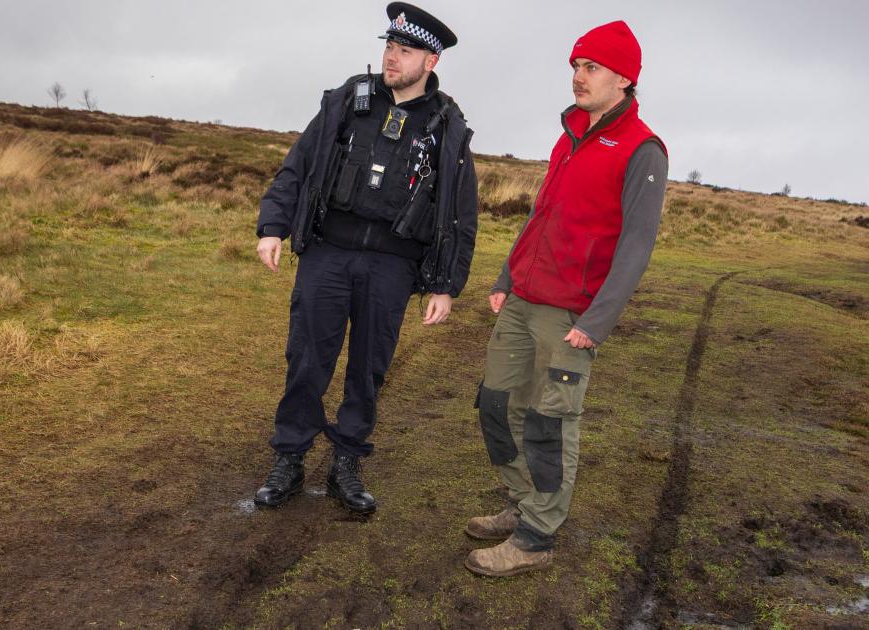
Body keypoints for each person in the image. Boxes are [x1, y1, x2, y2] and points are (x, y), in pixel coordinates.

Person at [253, 3, 479, 514]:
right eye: (390, 46)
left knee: (369, 368)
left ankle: (347, 462)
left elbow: (460, 212)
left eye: (406, 50)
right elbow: (299, 164)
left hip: (392, 267)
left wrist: (445, 284)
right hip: (329, 255)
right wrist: (273, 226)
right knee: (307, 357)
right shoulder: (346, 100)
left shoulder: (449, 128)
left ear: (432, 62)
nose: (392, 57)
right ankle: (289, 456)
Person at [462, 20, 668, 576]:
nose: (578, 77)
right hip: (526, 297)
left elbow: (636, 246)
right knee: (497, 406)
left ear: (623, 78)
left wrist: (596, 322)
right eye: (576, 66)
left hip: (573, 313)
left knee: (551, 424)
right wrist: (506, 277)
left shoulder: (642, 149)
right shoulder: (569, 133)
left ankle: (535, 538)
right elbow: (541, 215)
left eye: (591, 67)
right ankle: (521, 501)